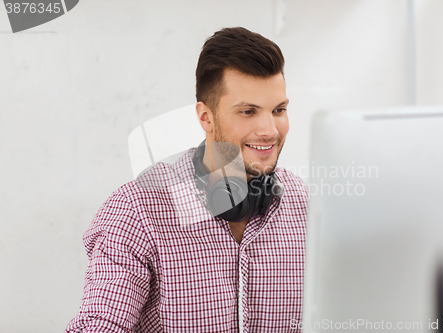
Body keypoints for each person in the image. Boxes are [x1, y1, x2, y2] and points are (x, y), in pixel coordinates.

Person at [66, 27, 308, 333]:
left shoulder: (307, 206)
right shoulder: (135, 211)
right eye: (248, 111)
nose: (270, 130)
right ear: (205, 117)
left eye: (279, 110)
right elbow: (99, 326)